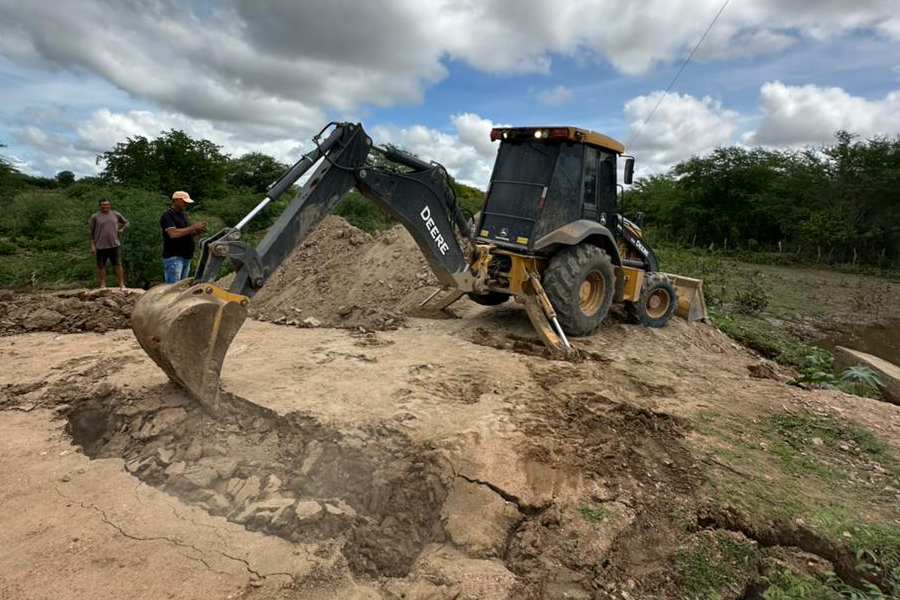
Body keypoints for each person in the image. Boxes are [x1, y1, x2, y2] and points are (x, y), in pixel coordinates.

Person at [160, 191, 207, 283]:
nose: (186, 204)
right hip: (174, 257)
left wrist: (196, 232)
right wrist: (193, 227)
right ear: (176, 200)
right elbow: (173, 234)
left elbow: (185, 233)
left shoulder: (183, 215)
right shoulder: (167, 215)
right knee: (173, 287)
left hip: (185, 257)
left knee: (182, 287)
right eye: (184, 202)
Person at [89, 198, 129, 289]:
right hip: (100, 245)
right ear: (100, 205)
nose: (105, 206)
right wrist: (92, 245)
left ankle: (121, 284)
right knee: (101, 266)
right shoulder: (95, 216)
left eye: (107, 204)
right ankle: (103, 285)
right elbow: (91, 232)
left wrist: (122, 229)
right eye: (103, 205)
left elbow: (126, 222)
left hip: (114, 244)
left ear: (110, 205)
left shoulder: (116, 214)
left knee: (117, 265)